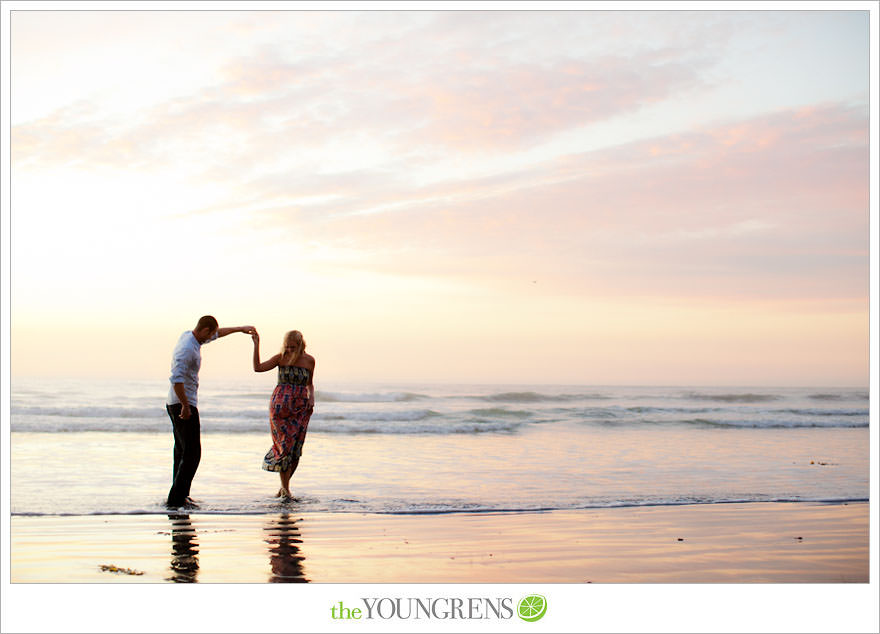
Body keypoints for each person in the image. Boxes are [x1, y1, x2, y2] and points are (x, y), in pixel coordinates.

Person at [166, 316, 254, 509]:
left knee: (182, 452)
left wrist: (240, 328)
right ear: (205, 330)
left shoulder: (191, 336)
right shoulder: (187, 348)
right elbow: (176, 379)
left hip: (178, 402)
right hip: (182, 403)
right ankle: (175, 500)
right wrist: (186, 406)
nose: (212, 337)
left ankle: (180, 496)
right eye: (211, 333)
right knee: (192, 453)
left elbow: (218, 334)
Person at [252, 329, 316, 499]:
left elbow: (310, 384)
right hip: (280, 407)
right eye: (287, 346)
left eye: (292, 347)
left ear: (301, 344)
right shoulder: (280, 357)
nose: (289, 350)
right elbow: (258, 368)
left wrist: (312, 398)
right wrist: (257, 345)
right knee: (284, 447)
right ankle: (285, 490)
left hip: (301, 408)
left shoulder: (310, 361)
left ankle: (284, 488)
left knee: (296, 450)